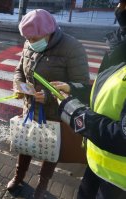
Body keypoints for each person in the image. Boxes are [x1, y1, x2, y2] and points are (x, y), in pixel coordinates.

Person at [9, 9, 90, 198]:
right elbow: (19, 70)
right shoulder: (29, 43)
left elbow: (82, 87)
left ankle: (42, 186)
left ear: (49, 31)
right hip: (30, 108)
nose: (30, 42)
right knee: (25, 142)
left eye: (34, 38)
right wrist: (18, 86)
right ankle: (18, 176)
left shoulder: (72, 47)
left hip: (55, 113)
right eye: (27, 38)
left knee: (49, 148)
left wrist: (49, 95)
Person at [52, 1, 126, 198]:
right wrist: (74, 90)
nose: (119, 8)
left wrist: (73, 112)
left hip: (117, 185)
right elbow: (110, 93)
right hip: (97, 166)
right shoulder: (121, 46)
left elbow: (123, 136)